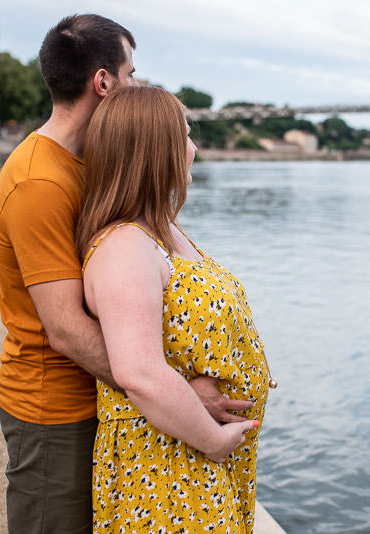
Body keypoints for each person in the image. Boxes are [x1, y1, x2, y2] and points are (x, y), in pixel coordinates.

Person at [0, 15, 251, 533]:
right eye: (132, 72)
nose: (137, 85)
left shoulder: (87, 164)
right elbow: (64, 327)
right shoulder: (40, 181)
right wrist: (179, 394)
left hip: (104, 402)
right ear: (104, 81)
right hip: (56, 409)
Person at [77, 85, 275, 533]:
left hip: (197, 457)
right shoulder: (124, 246)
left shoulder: (163, 230)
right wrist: (215, 440)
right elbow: (139, 372)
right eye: (184, 136)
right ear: (155, 149)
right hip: (167, 465)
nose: (194, 148)